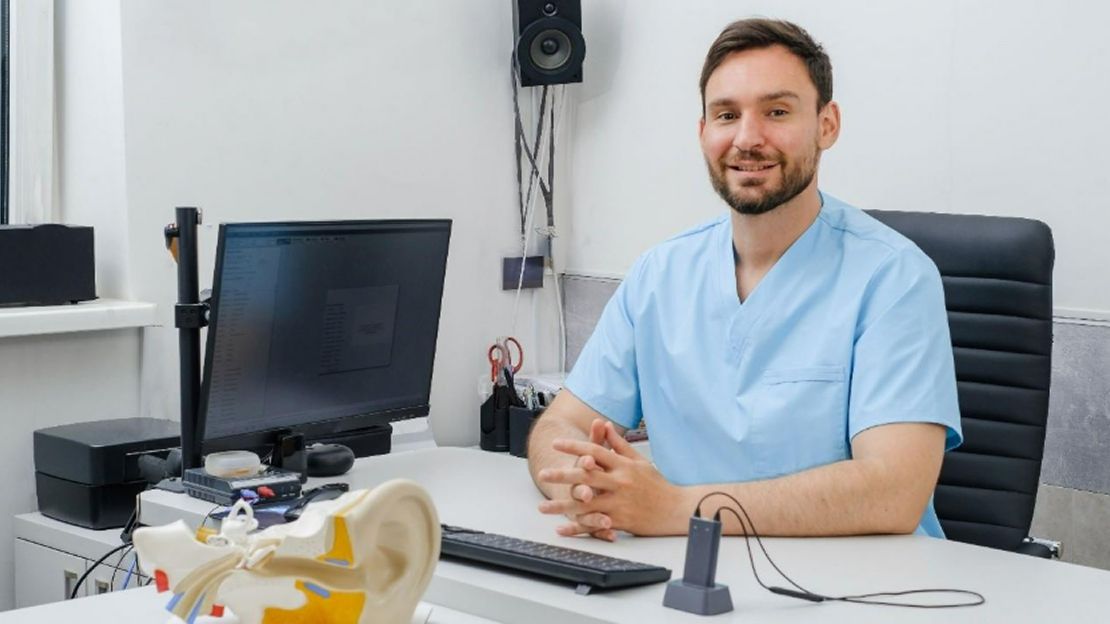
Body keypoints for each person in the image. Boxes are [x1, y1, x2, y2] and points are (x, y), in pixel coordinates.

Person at [527, 18, 962, 542]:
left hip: (864, 592)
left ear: (827, 125)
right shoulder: (659, 275)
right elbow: (561, 425)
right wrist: (583, 489)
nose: (748, 138)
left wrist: (677, 510)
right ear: (703, 132)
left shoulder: (893, 277)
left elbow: (893, 492)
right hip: (689, 574)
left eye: (777, 112)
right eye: (726, 115)